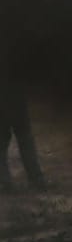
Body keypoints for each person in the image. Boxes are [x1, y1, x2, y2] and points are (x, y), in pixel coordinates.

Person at [0, 47, 45, 194]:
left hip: (9, 97)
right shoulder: (16, 44)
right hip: (15, 98)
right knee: (25, 139)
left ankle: (6, 183)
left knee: (9, 142)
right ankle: (37, 180)